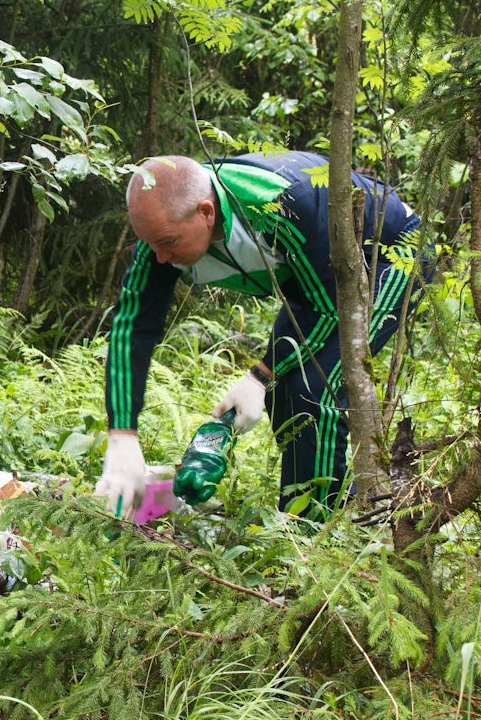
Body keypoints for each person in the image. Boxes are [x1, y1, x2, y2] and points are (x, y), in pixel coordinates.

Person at [96, 151, 426, 517]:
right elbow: (133, 326)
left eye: (168, 243)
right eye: (151, 244)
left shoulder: (283, 204)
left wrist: (259, 376)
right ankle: (313, 503)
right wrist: (122, 434)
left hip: (392, 250)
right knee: (285, 389)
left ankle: (309, 536)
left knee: (314, 388)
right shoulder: (162, 231)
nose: (158, 257)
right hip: (316, 277)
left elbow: (326, 307)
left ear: (207, 213)